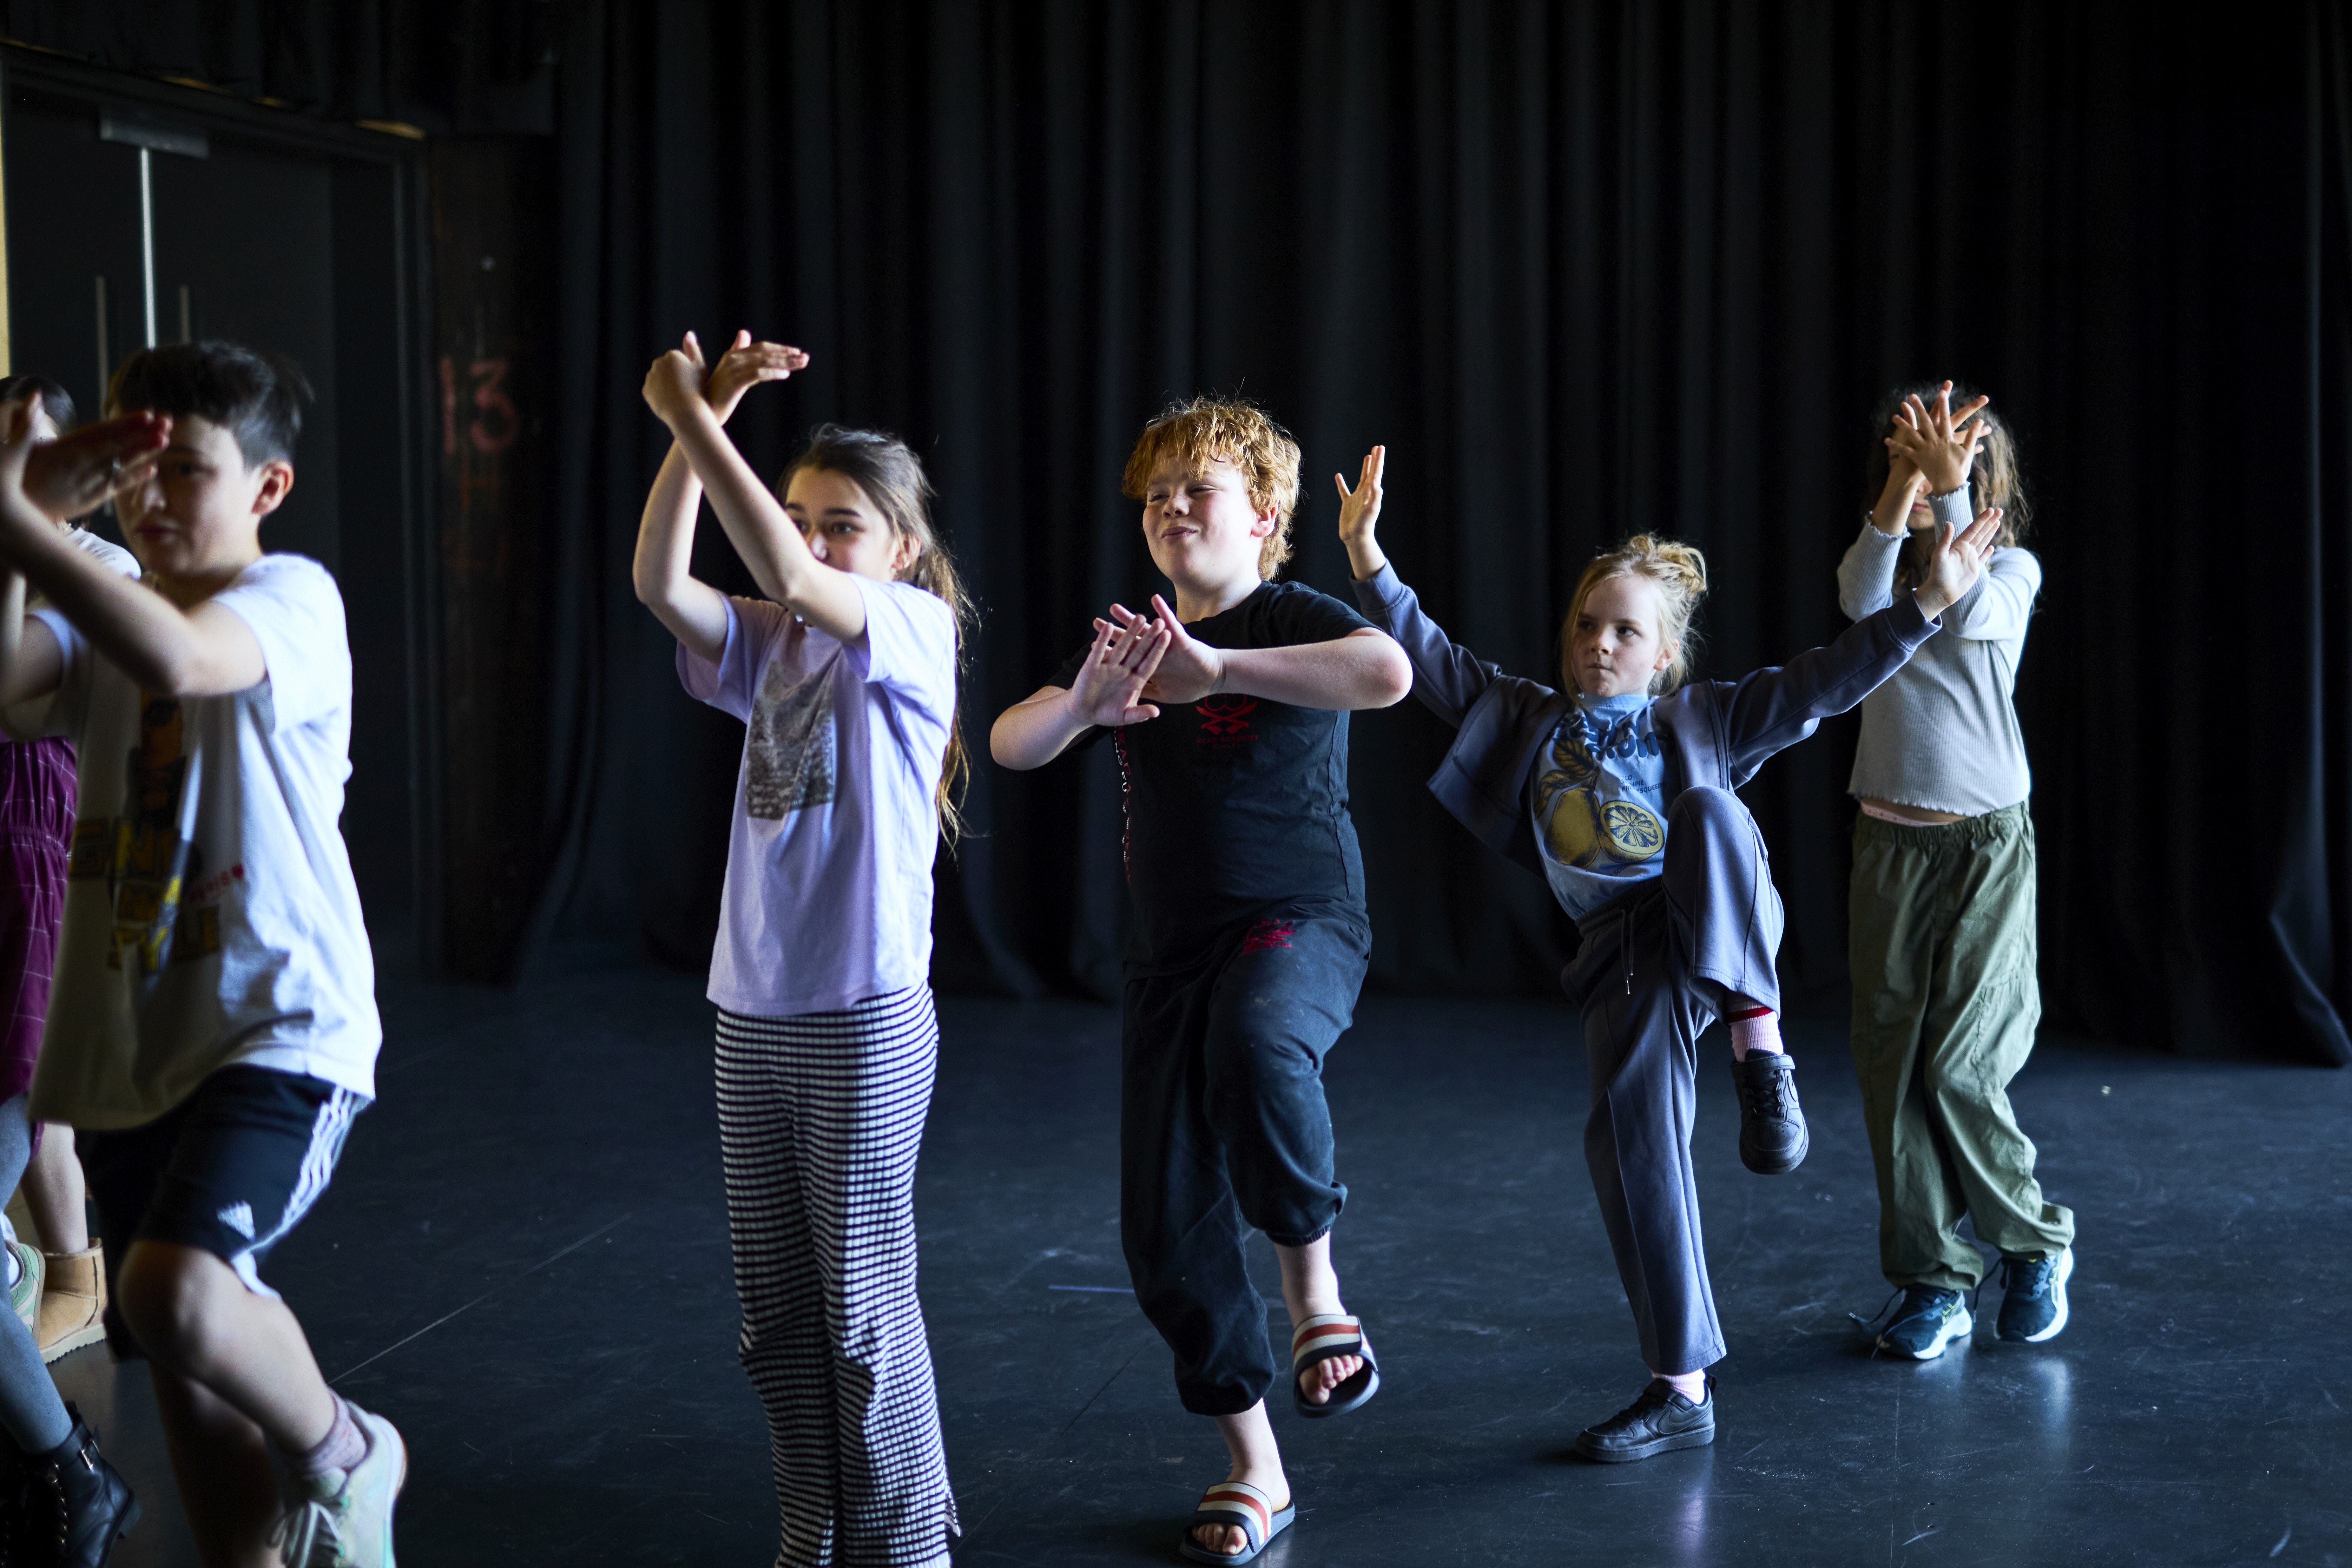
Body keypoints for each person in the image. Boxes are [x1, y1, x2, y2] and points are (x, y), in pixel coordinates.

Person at [1336, 444, 1999, 1463]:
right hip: (1621, 954)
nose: (1600, 643)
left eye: (1625, 631)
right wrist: (1367, 559)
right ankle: (1680, 1382)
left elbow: (1827, 682)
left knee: (1706, 809)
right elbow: (1426, 655)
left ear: (1663, 655)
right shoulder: (1526, 717)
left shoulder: (1706, 714)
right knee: (1628, 1140)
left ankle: (1758, 1045)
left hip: (1710, 919)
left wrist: (1920, 608)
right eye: (1588, 626)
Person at [991, 396, 1412, 1564]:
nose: (1170, 506)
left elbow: (1385, 669)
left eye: (1198, 489)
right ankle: (1255, 1468)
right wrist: (1084, 702)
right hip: (1166, 956)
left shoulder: (1285, 616)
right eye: (1155, 494)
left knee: (1260, 1038)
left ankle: (1316, 1294)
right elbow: (1008, 743)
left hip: (1299, 923)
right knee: (1164, 1232)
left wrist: (1217, 663)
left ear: (1263, 516)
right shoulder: (1133, 639)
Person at [0, 342, 401, 1567]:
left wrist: (18, 513)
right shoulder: (93, 602)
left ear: (266, 488)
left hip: (280, 1024)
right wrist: (23, 500)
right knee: (182, 1370)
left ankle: (347, 1449)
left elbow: (179, 660)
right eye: (132, 469)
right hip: (134, 1045)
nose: (153, 495)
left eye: (186, 468)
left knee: (170, 1290)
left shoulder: (292, 600)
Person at [635, 329, 965, 1568]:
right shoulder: (771, 643)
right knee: (777, 1315)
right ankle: (813, 1525)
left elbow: (771, 559)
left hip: (863, 1010)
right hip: (750, 1009)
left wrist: (687, 406)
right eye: (803, 518)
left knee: (865, 1313)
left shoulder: (909, 632)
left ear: (899, 549)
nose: (812, 542)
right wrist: (691, 425)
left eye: (842, 525)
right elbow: (662, 581)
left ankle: (906, 1543)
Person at [1837, 381, 2073, 1359]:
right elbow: (1857, 596)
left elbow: (1969, 614)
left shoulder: (2011, 569)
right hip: (1888, 842)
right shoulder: (1886, 575)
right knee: (1891, 1065)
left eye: (1954, 470)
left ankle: (2032, 1240)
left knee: (1959, 1059)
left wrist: (1947, 489)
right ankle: (1932, 1278)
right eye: (1911, 457)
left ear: (1990, 487)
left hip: (1981, 842)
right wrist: (1905, 482)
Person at [0, 374, 138, 1370]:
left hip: (43, 829)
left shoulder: (100, 563)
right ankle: (65, 1274)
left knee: (27, 1066)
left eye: (41, 449)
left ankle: (75, 1279)